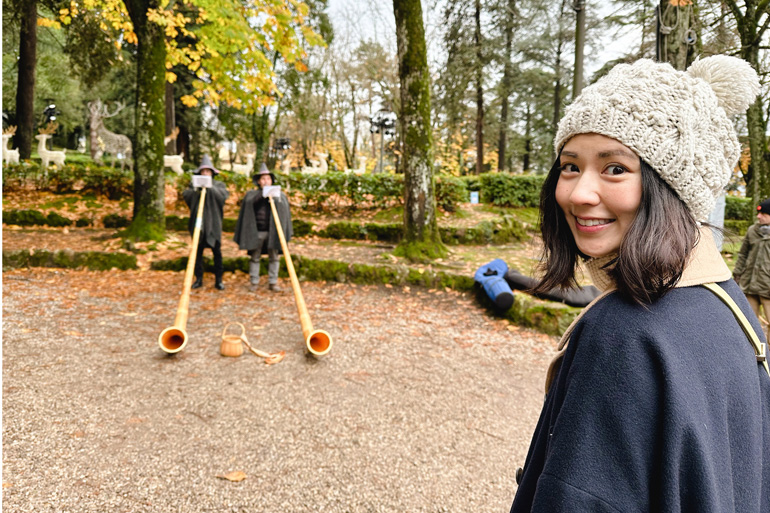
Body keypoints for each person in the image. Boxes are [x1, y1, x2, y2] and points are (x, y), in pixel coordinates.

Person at [510, 56, 770, 512]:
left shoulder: (624, 333)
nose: (578, 193)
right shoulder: (726, 306)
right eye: (570, 166)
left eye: (615, 169)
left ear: (672, 188)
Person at [234, 163, 293, 292]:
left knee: (274, 257)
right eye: (263, 179)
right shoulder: (252, 195)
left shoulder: (280, 195)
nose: (266, 181)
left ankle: (273, 282)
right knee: (255, 257)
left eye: (268, 179)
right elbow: (249, 204)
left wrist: (274, 197)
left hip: (273, 233)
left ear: (272, 180)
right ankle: (254, 282)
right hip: (257, 232)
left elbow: (284, 212)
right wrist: (263, 195)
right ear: (259, 182)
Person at [182, 155, 230, 290]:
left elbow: (223, 197)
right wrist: (198, 190)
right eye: (203, 172)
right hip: (198, 225)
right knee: (197, 253)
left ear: (212, 173)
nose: (205, 174)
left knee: (217, 253)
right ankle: (199, 279)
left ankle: (219, 280)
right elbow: (186, 196)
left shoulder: (219, 185)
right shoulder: (193, 186)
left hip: (213, 224)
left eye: (208, 172)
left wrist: (209, 187)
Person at [733, 198, 770, 326]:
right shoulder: (752, 230)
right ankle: (753, 347)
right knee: (749, 324)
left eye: (763, 214)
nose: (758, 216)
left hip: (767, 287)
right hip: (750, 285)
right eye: (758, 213)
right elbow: (743, 254)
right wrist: (737, 274)